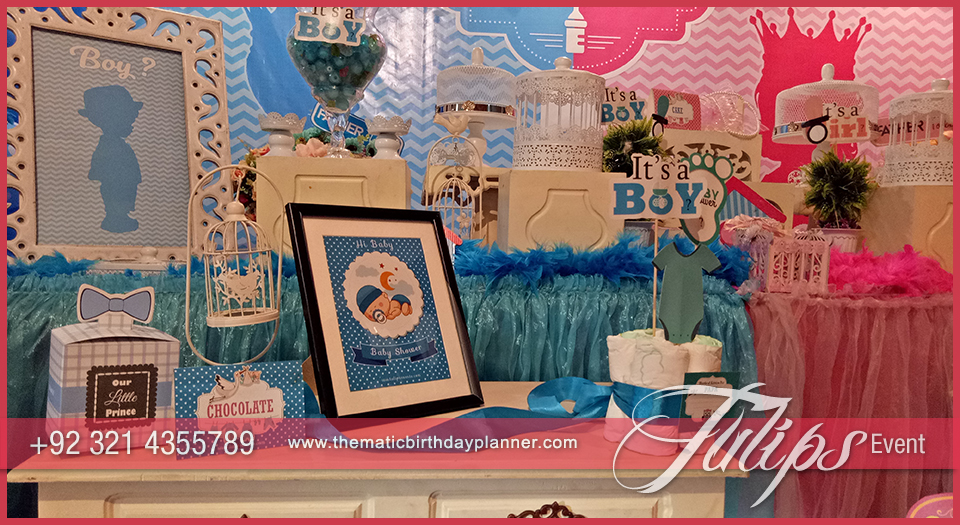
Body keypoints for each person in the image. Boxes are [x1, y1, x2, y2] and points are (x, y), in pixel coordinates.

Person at [79, 85, 143, 233]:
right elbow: (104, 174)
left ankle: (119, 215)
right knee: (116, 192)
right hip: (117, 182)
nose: (133, 119)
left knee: (121, 191)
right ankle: (116, 216)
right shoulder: (110, 146)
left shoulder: (116, 144)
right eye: (127, 117)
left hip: (121, 181)